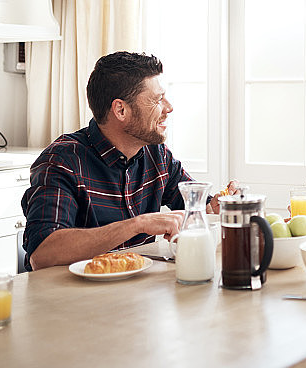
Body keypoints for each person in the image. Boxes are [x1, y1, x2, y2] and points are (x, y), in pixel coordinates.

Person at [21, 51, 230, 271]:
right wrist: (137, 225)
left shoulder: (156, 154)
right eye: (158, 99)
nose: (168, 107)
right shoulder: (62, 160)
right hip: (71, 299)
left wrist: (215, 206)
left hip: (135, 295)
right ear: (121, 110)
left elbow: (198, 209)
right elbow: (42, 254)